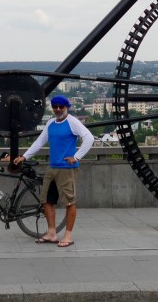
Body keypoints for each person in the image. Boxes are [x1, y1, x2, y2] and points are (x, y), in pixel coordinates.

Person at [13, 94, 94, 248]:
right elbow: (39, 143)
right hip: (53, 167)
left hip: (67, 169)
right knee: (46, 200)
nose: (57, 109)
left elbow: (89, 138)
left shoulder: (72, 122)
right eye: (55, 107)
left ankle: (68, 236)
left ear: (67, 108)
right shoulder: (51, 123)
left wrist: (76, 157)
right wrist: (24, 157)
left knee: (69, 202)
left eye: (61, 107)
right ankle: (52, 233)